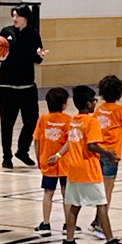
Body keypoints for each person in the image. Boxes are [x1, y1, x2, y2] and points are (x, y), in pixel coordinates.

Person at [57, 83, 110, 244]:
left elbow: (70, 142)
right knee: (102, 205)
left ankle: (69, 241)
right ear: (88, 103)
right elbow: (92, 146)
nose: (95, 104)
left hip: (73, 170)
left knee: (74, 206)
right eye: (94, 101)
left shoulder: (74, 121)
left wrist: (58, 155)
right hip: (89, 170)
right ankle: (111, 241)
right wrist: (107, 153)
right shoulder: (91, 122)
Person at [0, 6, 44, 168]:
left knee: (31, 120)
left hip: (27, 85)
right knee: (7, 123)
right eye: (13, 15)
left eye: (18, 16)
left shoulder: (33, 35)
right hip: (7, 85)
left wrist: (39, 55)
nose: (15, 18)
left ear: (26, 18)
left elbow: (39, 57)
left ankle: (22, 150)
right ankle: (6, 156)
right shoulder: (5, 32)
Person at [92, 74, 122, 244]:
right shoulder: (119, 110)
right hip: (111, 155)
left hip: (97, 152)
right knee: (107, 191)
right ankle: (101, 223)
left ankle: (97, 220)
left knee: (100, 189)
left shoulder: (99, 109)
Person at [34, 86, 75, 233]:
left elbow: (36, 140)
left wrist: (39, 158)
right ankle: (68, 224)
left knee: (48, 193)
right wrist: (59, 155)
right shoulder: (68, 120)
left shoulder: (43, 119)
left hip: (48, 162)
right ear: (64, 104)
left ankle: (46, 223)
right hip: (64, 163)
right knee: (66, 194)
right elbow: (70, 141)